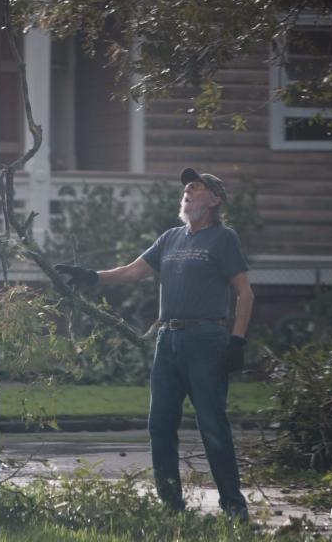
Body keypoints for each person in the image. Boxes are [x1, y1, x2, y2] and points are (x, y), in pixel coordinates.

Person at [55, 167, 254, 520]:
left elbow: (244, 292)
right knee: (160, 425)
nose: (188, 191)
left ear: (215, 200)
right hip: (168, 339)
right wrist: (91, 277)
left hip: (206, 339)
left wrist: (237, 340)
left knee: (211, 424)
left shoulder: (224, 239)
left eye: (196, 187)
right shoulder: (171, 238)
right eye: (186, 187)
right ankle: (172, 506)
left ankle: (234, 507)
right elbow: (133, 271)